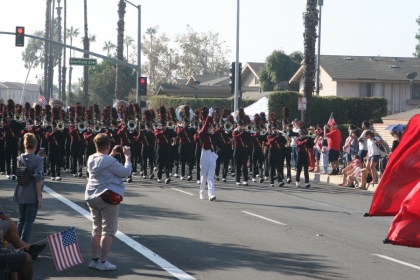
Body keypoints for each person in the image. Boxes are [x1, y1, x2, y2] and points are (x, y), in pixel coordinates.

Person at [85, 133, 132, 270]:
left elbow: (102, 164)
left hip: (91, 196)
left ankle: (94, 260)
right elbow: (125, 172)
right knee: (108, 230)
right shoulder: (109, 161)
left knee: (96, 229)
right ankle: (103, 261)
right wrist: (128, 157)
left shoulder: (91, 158)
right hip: (106, 196)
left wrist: (111, 154)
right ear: (107, 145)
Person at [13, 133, 44, 243]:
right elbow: (38, 179)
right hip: (32, 193)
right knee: (29, 220)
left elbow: (20, 174)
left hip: (21, 190)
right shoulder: (38, 160)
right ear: (35, 146)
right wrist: (39, 196)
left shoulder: (20, 158)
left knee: (21, 219)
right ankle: (24, 243)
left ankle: (17, 243)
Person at [198, 107, 217, 201]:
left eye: (210, 127)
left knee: (210, 176)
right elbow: (205, 126)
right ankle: (201, 192)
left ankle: (211, 194)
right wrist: (209, 116)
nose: (210, 128)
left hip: (212, 155)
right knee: (204, 175)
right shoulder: (202, 134)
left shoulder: (213, 135)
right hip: (205, 154)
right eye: (208, 127)